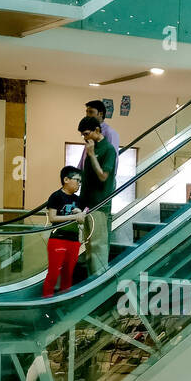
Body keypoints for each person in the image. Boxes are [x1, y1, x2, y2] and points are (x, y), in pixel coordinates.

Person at [77, 115, 116, 275]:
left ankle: (99, 286)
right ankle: (91, 284)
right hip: (86, 204)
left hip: (99, 205)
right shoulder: (91, 148)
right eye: (83, 135)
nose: (84, 138)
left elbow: (103, 176)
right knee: (90, 248)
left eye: (86, 134)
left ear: (97, 130)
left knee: (98, 247)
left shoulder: (108, 149)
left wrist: (92, 155)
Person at [43, 167, 86, 297]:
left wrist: (81, 214)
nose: (79, 183)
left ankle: (64, 302)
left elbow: (81, 220)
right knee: (54, 273)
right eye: (77, 180)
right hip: (58, 239)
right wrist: (74, 217)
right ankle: (46, 301)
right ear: (66, 179)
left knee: (68, 274)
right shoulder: (56, 196)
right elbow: (52, 218)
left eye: (80, 181)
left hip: (73, 240)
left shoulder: (78, 199)